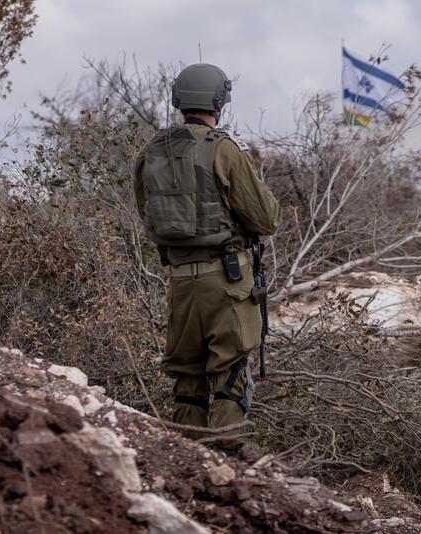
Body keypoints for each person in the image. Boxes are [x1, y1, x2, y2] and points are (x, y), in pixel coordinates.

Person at [132, 63, 281, 448]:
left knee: (187, 373)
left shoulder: (150, 153)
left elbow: (146, 212)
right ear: (218, 101)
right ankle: (228, 458)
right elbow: (266, 219)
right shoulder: (224, 149)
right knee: (229, 367)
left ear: (179, 99)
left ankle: (186, 456)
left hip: (181, 281)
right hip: (227, 281)